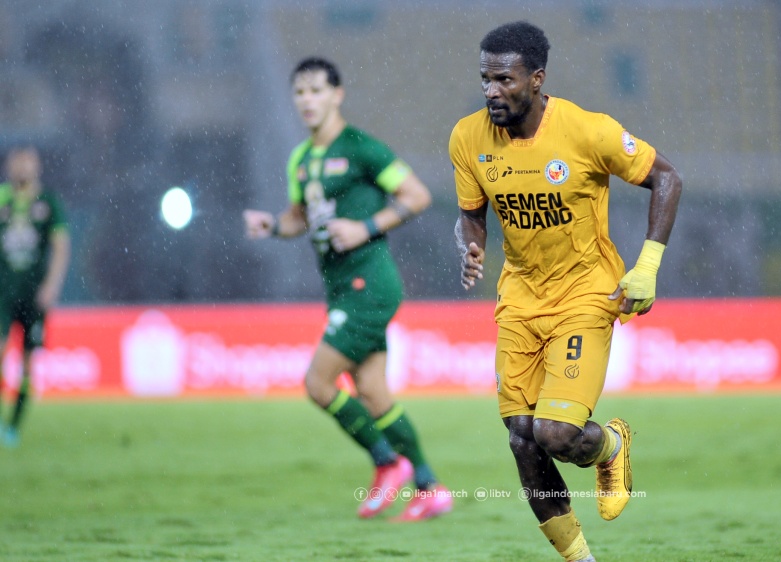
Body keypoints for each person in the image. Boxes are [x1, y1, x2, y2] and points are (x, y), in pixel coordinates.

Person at [451, 22, 682, 561]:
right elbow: (470, 214)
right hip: (519, 297)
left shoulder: (587, 131)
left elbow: (667, 179)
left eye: (503, 79)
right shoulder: (467, 138)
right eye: (485, 79)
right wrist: (470, 247)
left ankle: (612, 445)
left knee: (554, 434)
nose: (491, 91)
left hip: (585, 292)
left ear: (536, 79)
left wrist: (648, 265)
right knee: (521, 437)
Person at [243, 57, 451, 521]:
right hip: (340, 287)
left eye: (316, 90)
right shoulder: (301, 159)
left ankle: (387, 462)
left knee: (317, 383)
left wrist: (365, 227)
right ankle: (430, 487)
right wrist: (272, 225)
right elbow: (299, 217)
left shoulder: (362, 148)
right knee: (373, 393)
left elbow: (417, 196)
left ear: (337, 95)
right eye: (300, 92)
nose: (307, 100)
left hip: (369, 283)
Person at [0, 146, 71, 448]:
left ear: (37, 167)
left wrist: (52, 285)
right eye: (17, 163)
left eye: (27, 163)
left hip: (34, 295)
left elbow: (61, 246)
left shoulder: (48, 203)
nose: (22, 168)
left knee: (28, 362)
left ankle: (13, 425)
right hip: (3, 292)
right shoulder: (2, 198)